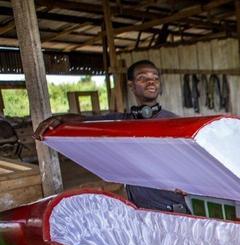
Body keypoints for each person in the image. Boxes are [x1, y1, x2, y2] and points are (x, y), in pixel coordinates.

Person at [35, 60, 190, 213]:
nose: (151, 82)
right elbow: (85, 122)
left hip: (171, 208)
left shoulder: (175, 122)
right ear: (131, 85)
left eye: (155, 78)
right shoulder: (121, 121)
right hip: (137, 206)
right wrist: (60, 119)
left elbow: (191, 163)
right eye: (143, 78)